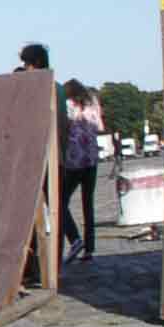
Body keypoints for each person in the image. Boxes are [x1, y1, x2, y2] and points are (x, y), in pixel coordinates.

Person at [60, 79, 105, 260]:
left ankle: (75, 238)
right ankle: (89, 249)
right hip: (91, 159)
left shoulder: (68, 105)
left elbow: (64, 128)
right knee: (89, 205)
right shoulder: (93, 102)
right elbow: (100, 128)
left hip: (74, 160)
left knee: (61, 201)